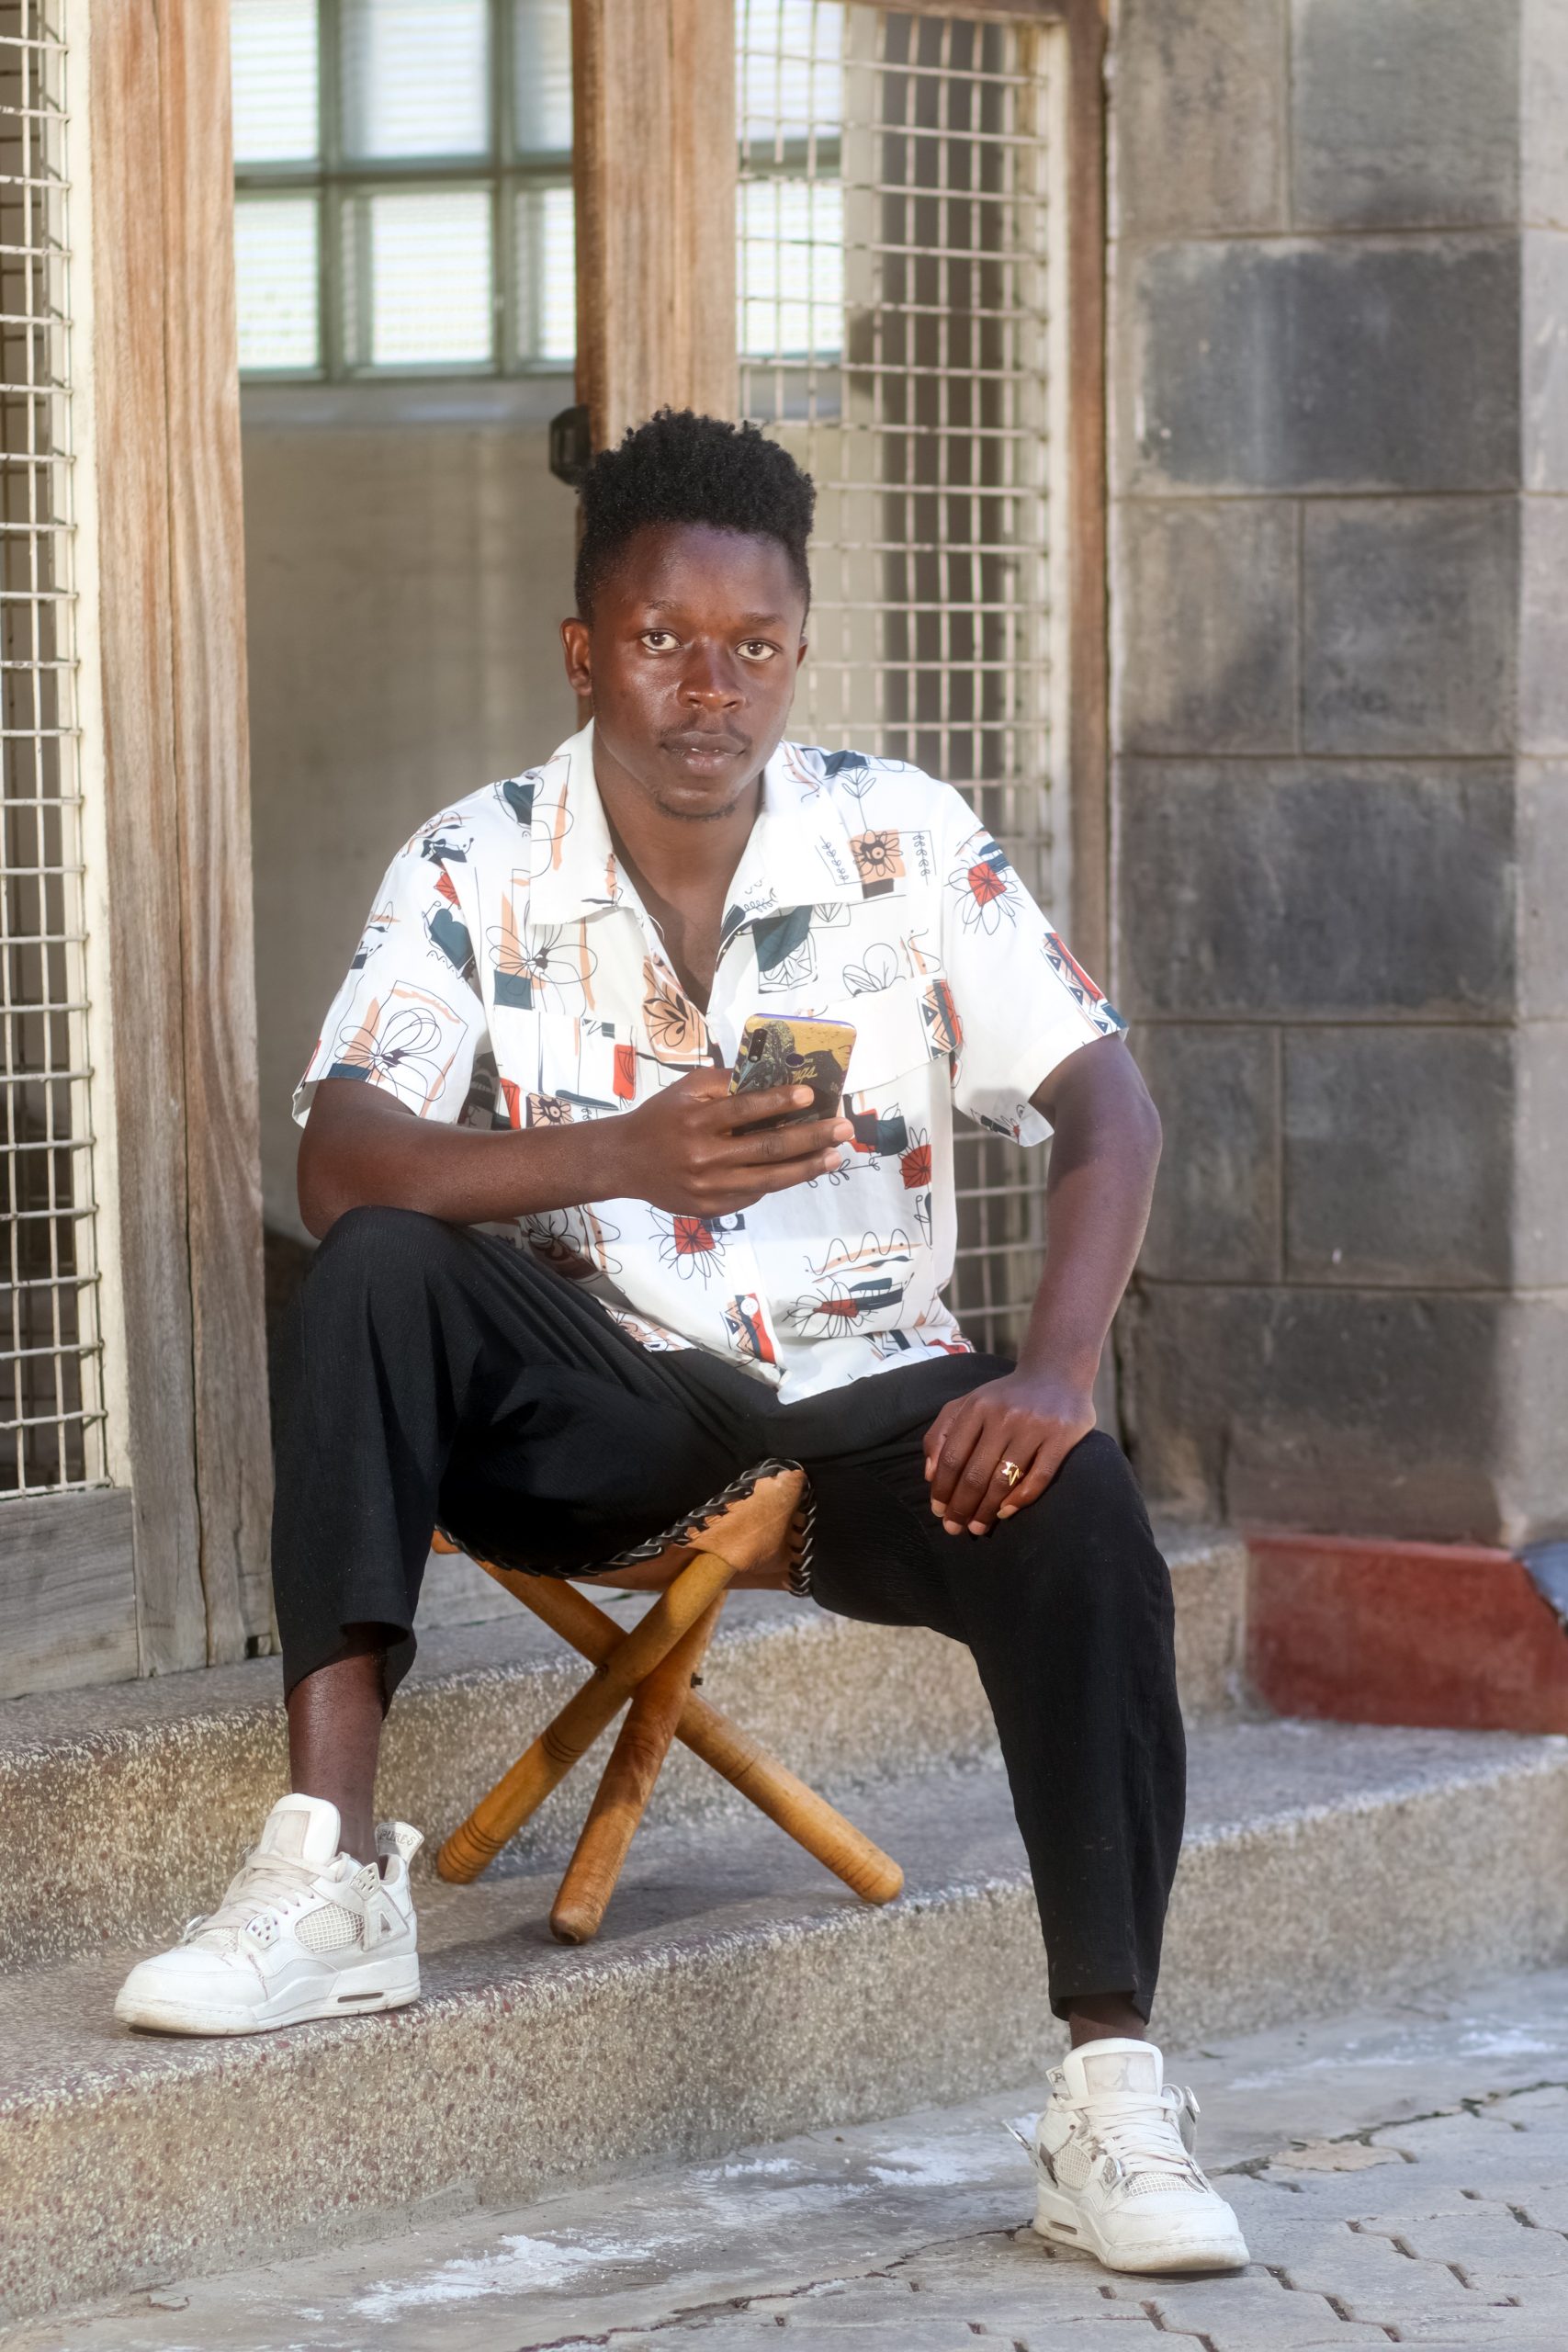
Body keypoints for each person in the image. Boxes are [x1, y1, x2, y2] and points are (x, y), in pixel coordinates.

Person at [114, 411, 1247, 2278]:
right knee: (378, 1261)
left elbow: (1105, 1107)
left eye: (753, 646)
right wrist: (617, 1156)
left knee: (1083, 1506)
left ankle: (1111, 2094)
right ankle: (326, 1874)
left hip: (876, 1398)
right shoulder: (476, 859)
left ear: (796, 656)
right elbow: (341, 1153)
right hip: (618, 1400)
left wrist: (1051, 1372)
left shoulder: (901, 836)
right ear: (586, 651)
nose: (710, 689)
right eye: (661, 640)